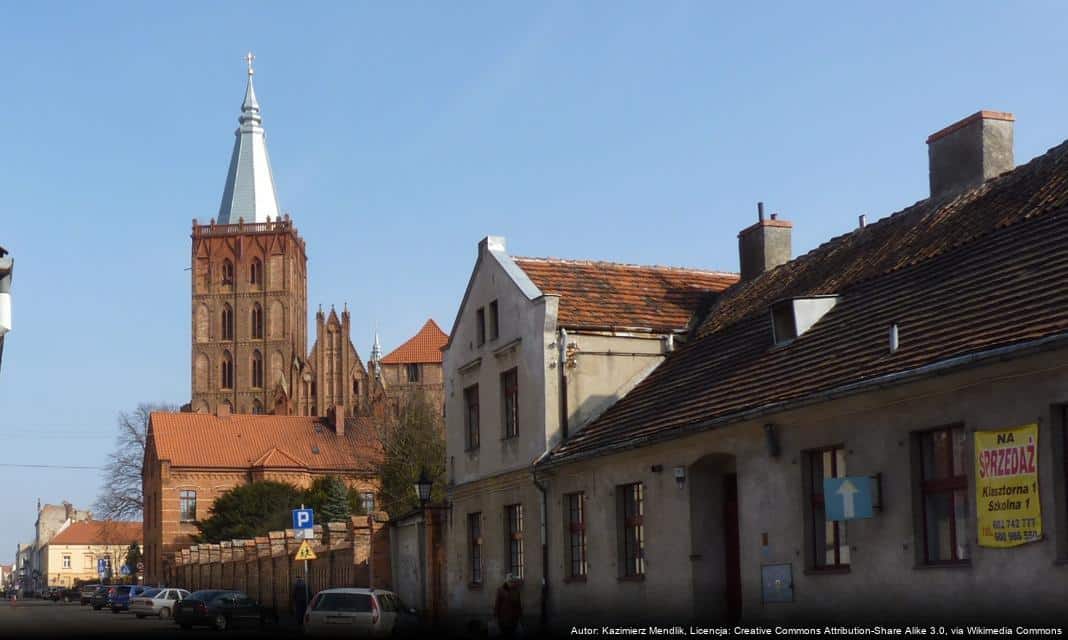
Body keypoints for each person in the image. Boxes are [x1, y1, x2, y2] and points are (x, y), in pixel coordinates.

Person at [493, 574, 522, 638]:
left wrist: (520, 615)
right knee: (505, 634)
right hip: (503, 618)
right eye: (510, 581)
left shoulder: (516, 591)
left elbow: (518, 604)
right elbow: (497, 604)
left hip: (514, 619)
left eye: (513, 581)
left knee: (512, 633)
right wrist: (496, 615)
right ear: (506, 581)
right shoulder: (501, 590)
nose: (511, 583)